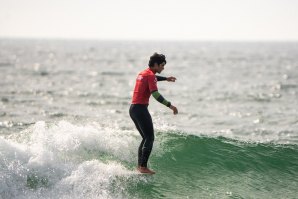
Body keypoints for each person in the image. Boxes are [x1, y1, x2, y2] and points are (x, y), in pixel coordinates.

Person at [129, 52, 178, 174]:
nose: (163, 68)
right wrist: (170, 106)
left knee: (145, 138)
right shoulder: (150, 76)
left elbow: (153, 78)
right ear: (155, 64)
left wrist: (166, 78)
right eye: (161, 65)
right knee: (150, 137)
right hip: (140, 109)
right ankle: (143, 167)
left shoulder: (143, 73)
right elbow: (155, 94)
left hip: (133, 109)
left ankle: (140, 167)